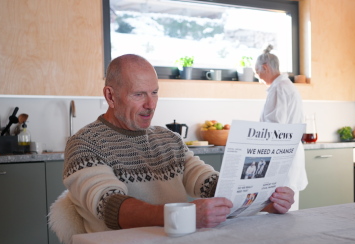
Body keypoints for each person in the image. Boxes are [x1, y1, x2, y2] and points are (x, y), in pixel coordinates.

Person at [63, 54, 294, 233]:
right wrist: (185, 214)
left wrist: (263, 201)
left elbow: (207, 182)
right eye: (138, 95)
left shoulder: (168, 139)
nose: (151, 104)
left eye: (154, 92)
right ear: (110, 96)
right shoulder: (85, 144)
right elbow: (110, 206)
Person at [255, 45, 308, 210]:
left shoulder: (279, 88)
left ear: (265, 67)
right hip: (290, 151)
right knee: (287, 204)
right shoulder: (286, 86)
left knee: (280, 205)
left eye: (257, 72)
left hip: (282, 155)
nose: (257, 76)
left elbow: (274, 128)